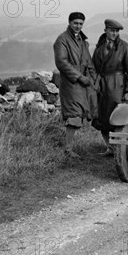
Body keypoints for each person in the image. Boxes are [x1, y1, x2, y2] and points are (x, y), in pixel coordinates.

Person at [92, 19, 128, 156]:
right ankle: (110, 148)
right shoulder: (99, 48)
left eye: (117, 31)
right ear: (105, 30)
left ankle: (121, 149)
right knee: (102, 117)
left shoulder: (125, 47)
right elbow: (94, 68)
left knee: (118, 118)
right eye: (112, 30)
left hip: (118, 86)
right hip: (102, 86)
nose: (115, 33)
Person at [54, 12, 97, 158]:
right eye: (75, 23)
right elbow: (61, 62)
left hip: (84, 82)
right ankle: (68, 149)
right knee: (74, 114)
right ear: (69, 23)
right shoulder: (62, 40)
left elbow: (89, 62)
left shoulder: (83, 42)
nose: (78, 26)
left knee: (88, 111)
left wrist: (94, 79)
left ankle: (109, 146)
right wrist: (79, 77)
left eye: (81, 23)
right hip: (71, 82)